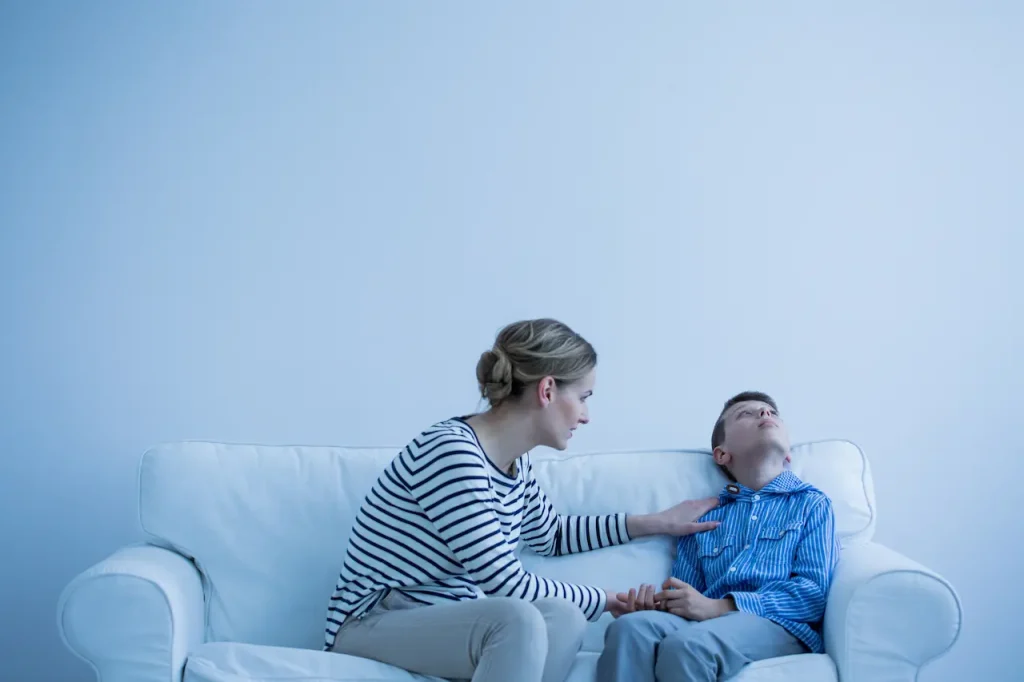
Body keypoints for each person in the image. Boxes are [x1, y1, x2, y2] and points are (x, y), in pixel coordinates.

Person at [324, 318, 722, 682]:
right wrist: (607, 599)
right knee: (517, 619)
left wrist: (657, 522)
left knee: (564, 618)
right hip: (372, 621)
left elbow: (551, 536)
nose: (586, 415)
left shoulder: (516, 463)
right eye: (583, 397)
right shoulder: (452, 453)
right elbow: (503, 583)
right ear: (547, 390)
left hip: (443, 620)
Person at [597, 391, 841, 682]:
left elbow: (812, 595)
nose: (765, 414)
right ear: (722, 454)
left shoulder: (811, 503)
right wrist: (657, 606)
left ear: (788, 452)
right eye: (747, 414)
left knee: (689, 646)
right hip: (705, 623)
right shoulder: (703, 518)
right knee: (629, 629)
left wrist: (721, 606)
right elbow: (685, 594)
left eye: (771, 413)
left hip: (777, 624)